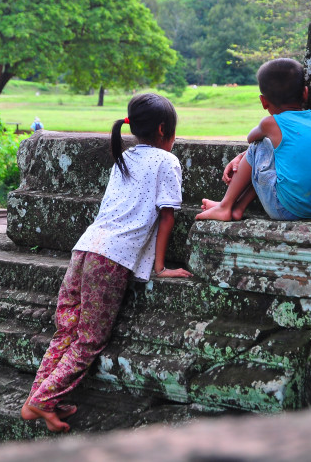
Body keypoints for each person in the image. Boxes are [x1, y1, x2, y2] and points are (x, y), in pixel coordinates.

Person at [21, 93, 192, 433]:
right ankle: (43, 401)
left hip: (84, 249)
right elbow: (167, 216)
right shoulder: (166, 161)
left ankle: (38, 399)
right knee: (89, 340)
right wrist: (159, 267)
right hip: (112, 259)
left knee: (67, 329)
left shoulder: (125, 157)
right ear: (163, 130)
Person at [195, 58, 311, 222]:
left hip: (284, 209)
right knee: (275, 151)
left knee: (260, 144)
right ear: (305, 93)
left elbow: (251, 139)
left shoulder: (270, 123)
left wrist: (240, 157)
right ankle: (237, 208)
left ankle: (225, 206)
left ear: (263, 101)